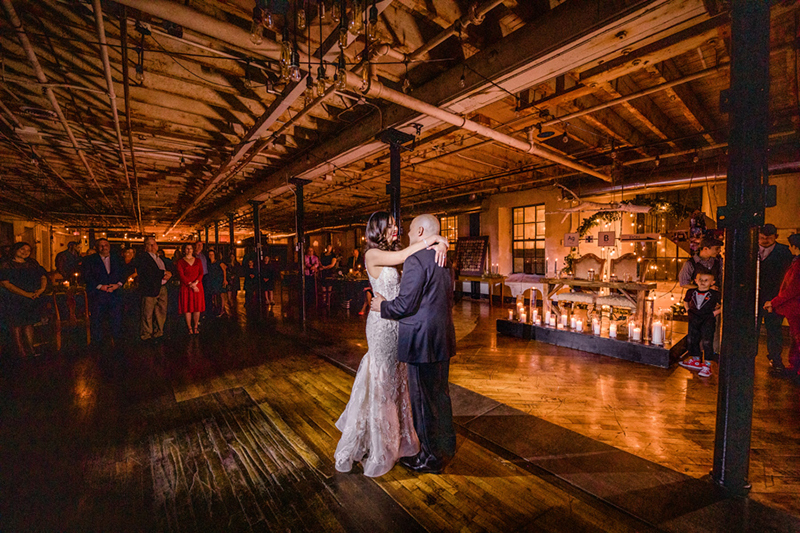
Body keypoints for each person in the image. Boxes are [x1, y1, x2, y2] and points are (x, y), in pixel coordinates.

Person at [334, 212, 449, 477]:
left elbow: (407, 261)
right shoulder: (372, 255)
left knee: (398, 381)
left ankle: (399, 438)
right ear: (377, 230)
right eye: (391, 226)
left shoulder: (399, 252)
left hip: (397, 323)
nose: (396, 229)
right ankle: (379, 444)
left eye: (397, 226)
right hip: (380, 326)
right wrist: (437, 239)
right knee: (383, 380)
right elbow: (403, 255)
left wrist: (439, 243)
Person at [757, 224, 795, 375]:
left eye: (768, 238)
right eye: (762, 238)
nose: (765, 241)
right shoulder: (750, 248)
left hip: (774, 296)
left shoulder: (784, 251)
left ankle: (775, 358)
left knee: (774, 329)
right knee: (752, 328)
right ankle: (749, 356)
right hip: (754, 296)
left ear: (776, 237)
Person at [0, 242, 48, 357]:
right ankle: (20, 350)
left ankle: (30, 348)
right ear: (15, 249)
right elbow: (6, 283)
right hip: (14, 298)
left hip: (31, 297)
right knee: (16, 324)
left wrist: (41, 289)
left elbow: (43, 276)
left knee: (29, 322)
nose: (25, 252)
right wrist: (25, 294)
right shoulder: (6, 264)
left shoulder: (32, 263)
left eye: (28, 250)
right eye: (22, 249)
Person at [765, 234, 800, 380]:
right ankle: (795, 367)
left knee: (797, 337)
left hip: (796, 308)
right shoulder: (795, 262)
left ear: (794, 247)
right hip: (794, 307)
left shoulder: (797, 264)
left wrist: (774, 302)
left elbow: (792, 288)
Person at [679, 268, 721, 378]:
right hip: (694, 318)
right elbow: (686, 301)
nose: (702, 282)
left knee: (707, 341)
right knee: (692, 339)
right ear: (696, 280)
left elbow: (724, 304)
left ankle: (707, 364)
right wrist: (688, 310)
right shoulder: (691, 292)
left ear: (712, 282)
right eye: (700, 279)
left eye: (706, 280)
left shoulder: (715, 294)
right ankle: (695, 359)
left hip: (707, 319)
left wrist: (714, 313)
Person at [83, 238, 125, 345]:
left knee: (116, 318)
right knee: (97, 319)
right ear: (97, 248)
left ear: (109, 246)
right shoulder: (90, 260)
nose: (104, 247)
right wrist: (100, 286)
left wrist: (118, 285)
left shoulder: (117, 259)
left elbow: (123, 273)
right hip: (98, 294)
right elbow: (87, 276)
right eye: (101, 245)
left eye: (105, 245)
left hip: (115, 293)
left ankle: (116, 340)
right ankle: (98, 342)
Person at [136, 237, 172, 342]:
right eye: (149, 244)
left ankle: (159, 332)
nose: (152, 246)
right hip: (150, 288)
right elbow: (148, 272)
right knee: (147, 312)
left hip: (162, 287)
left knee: (161, 310)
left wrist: (169, 274)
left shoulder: (159, 258)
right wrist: (164, 274)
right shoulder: (143, 258)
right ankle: (146, 334)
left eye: (154, 244)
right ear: (145, 246)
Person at [176, 243, 204, 334]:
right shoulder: (180, 262)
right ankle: (189, 328)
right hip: (186, 287)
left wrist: (195, 283)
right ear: (184, 250)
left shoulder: (198, 261)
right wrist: (191, 285)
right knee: (187, 307)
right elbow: (181, 275)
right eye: (187, 248)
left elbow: (201, 273)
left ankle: (195, 326)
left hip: (197, 285)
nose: (189, 250)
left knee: (197, 307)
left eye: (190, 248)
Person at [206, 249, 227, 316]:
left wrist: (224, 279)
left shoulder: (218, 262)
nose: (211, 256)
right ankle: (216, 308)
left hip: (219, 280)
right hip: (212, 280)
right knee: (214, 294)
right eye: (210, 254)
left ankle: (222, 309)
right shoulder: (209, 263)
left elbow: (224, 270)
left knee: (221, 295)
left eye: (212, 254)